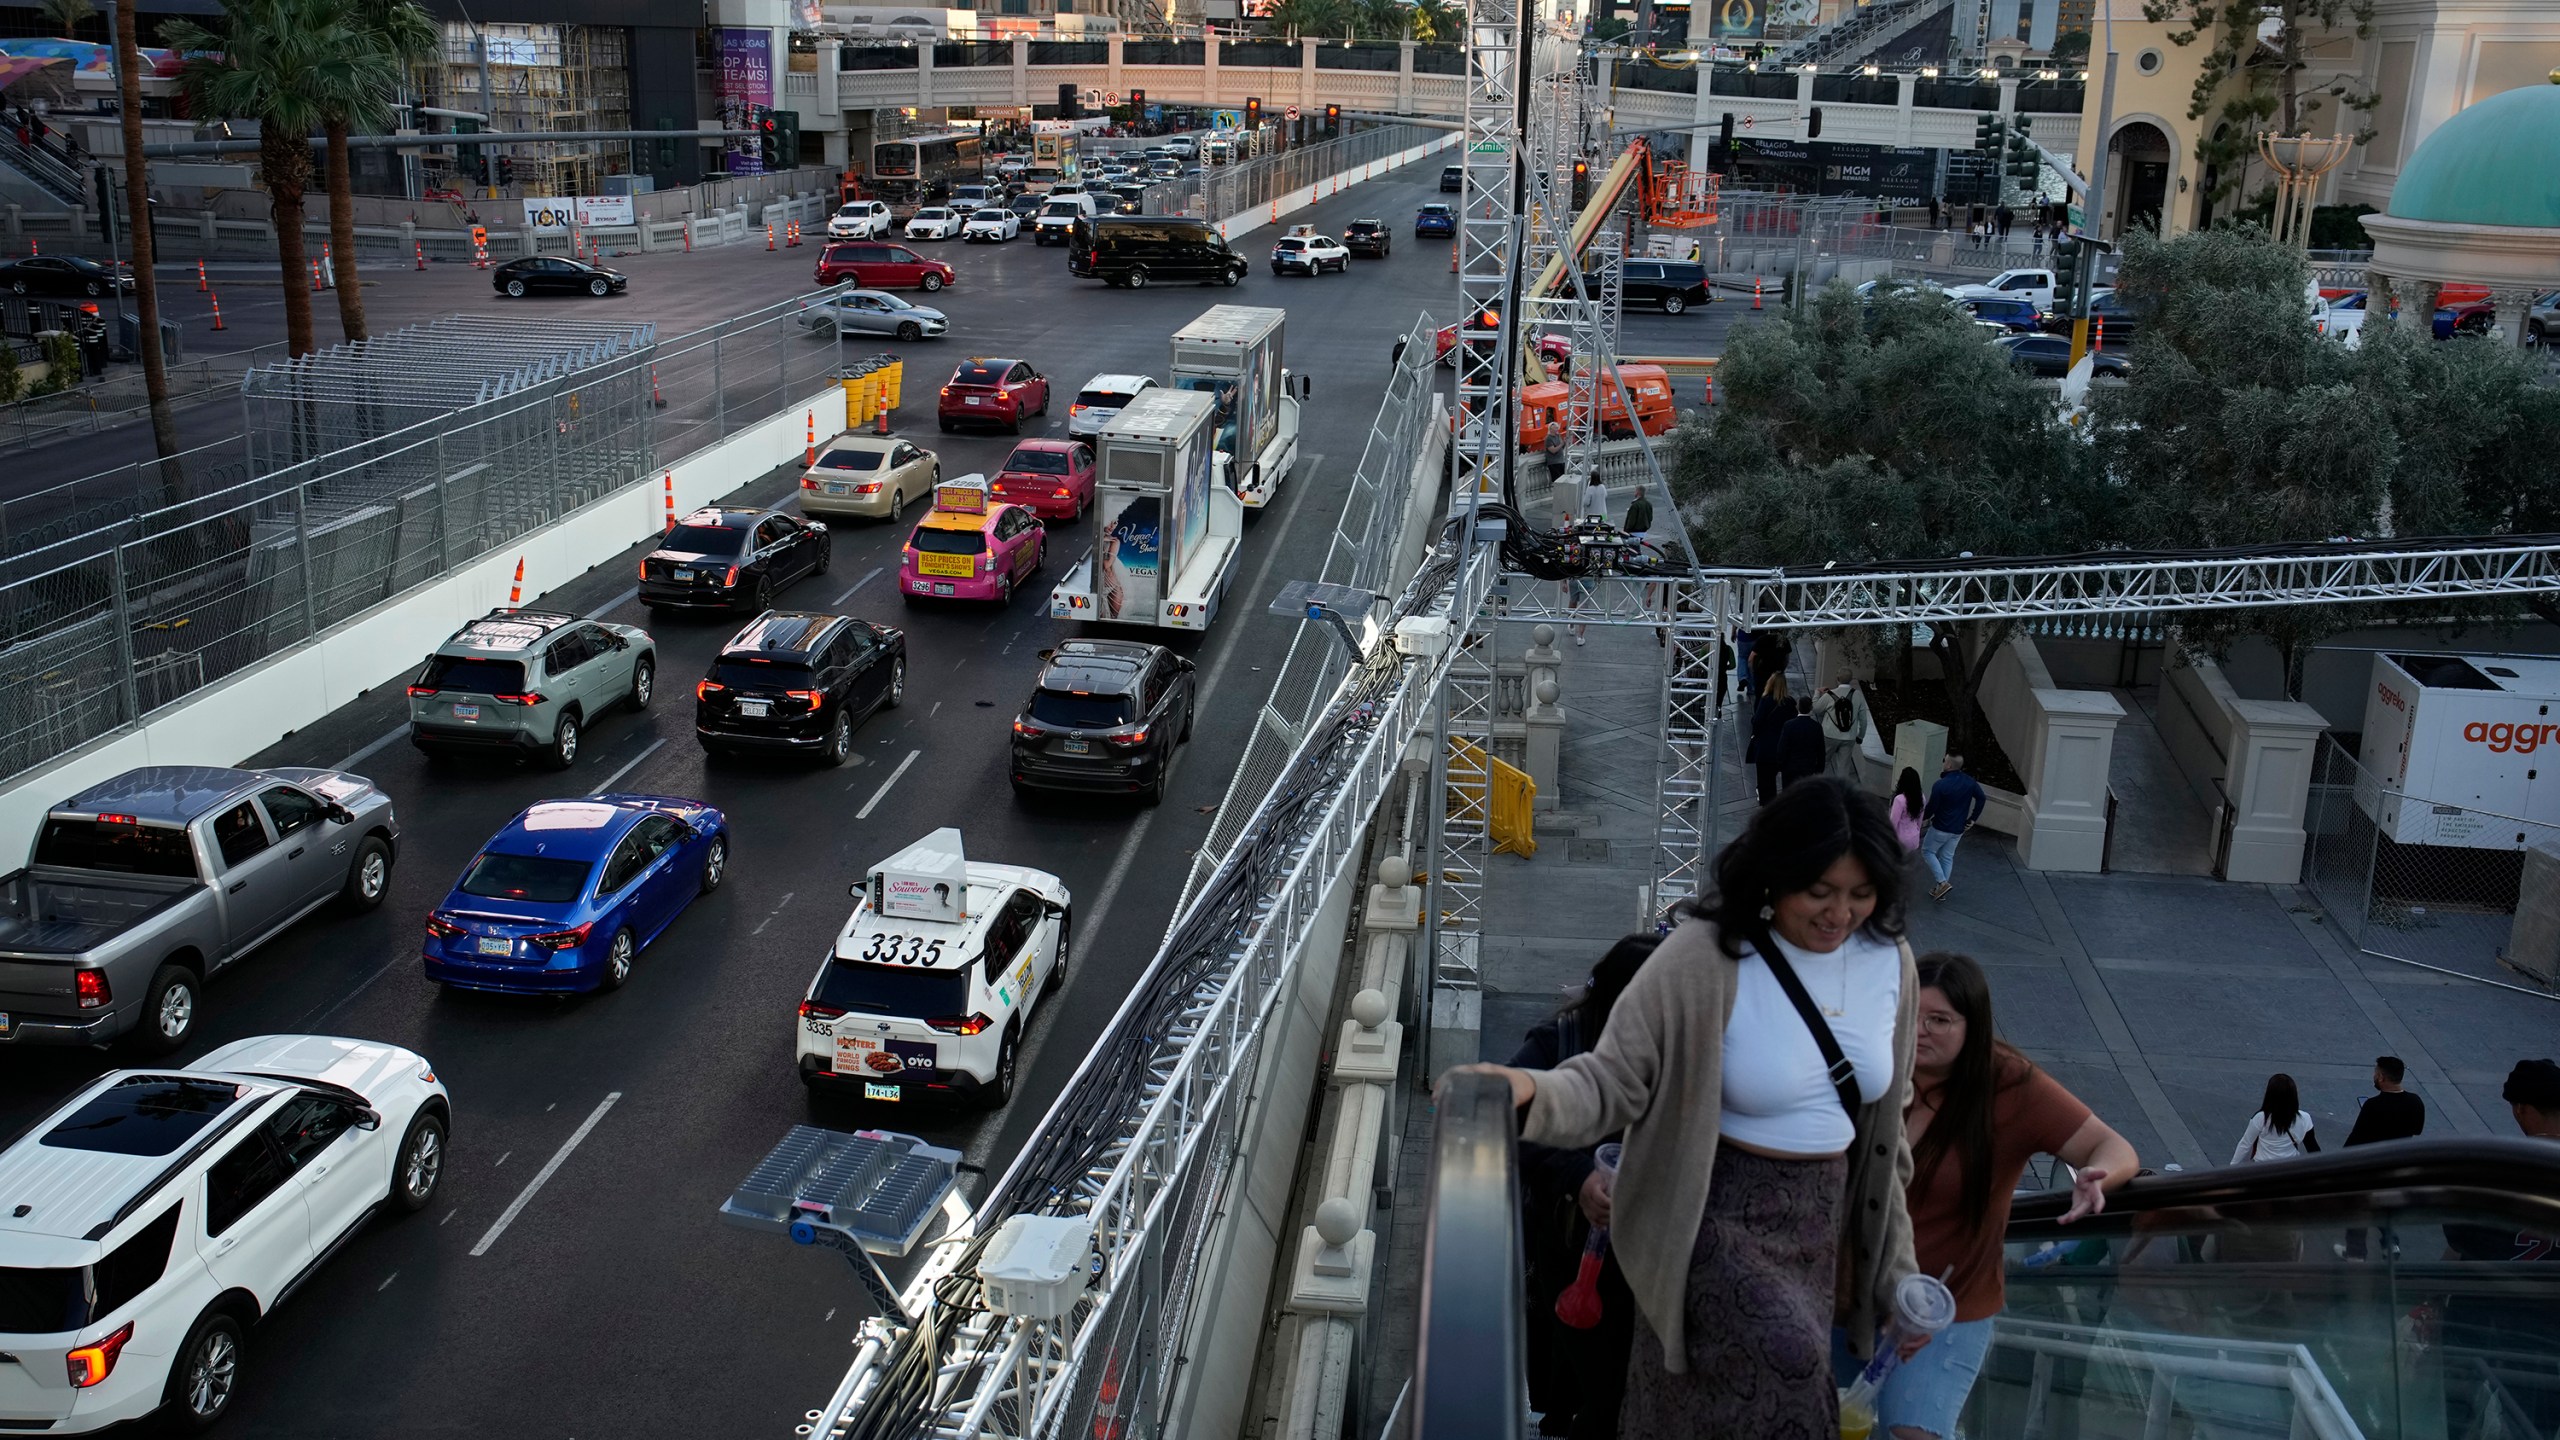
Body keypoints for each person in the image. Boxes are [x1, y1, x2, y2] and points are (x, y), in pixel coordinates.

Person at [1463, 777, 1925, 1440]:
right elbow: (1613, 1080)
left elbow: (1890, 1144)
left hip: (1818, 1224)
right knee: (1791, 1367)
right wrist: (1529, 1093)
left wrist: (1896, 1272)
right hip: (1708, 1211)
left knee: (1718, 1406)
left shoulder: (1892, 962)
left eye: (1860, 894)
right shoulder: (1703, 956)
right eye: (1818, 892)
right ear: (1772, 877)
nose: (1838, 914)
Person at [1848, 951, 2137, 1440]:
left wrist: (2096, 1176)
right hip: (1851, 1293)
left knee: (1912, 1434)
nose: (1919, 1031)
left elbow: (2113, 1146)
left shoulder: (2010, 1085)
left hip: (1948, 1304)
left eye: (1939, 1020)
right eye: (1911, 1014)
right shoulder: (1872, 1065)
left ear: (1973, 1025)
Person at [1516, 935, 1662, 1439]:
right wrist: (1577, 1178)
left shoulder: (1687, 1052)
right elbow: (1501, 1118)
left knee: (1628, 1379)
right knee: (1584, 1373)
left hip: (1654, 1250)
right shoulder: (1562, 1041)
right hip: (1570, 1242)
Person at [2336, 1056, 2425, 1259]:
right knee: (2384, 1205)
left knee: (2360, 1208)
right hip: (2397, 1167)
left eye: (2376, 1073)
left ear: (2382, 1077)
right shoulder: (2416, 1102)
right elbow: (2417, 1130)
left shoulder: (2373, 1107)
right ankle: (2390, 1243)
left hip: (2370, 1168)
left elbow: (2356, 1139)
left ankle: (2355, 1254)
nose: (2374, 1077)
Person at [1918, 753, 1985, 900]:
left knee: (1928, 851)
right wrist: (1973, 818)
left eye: (1944, 761)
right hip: (1958, 828)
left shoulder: (1940, 785)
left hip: (1940, 827)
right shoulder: (1970, 782)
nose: (1943, 763)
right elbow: (1981, 798)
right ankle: (1940, 892)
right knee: (1947, 857)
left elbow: (1931, 808)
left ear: (1948, 765)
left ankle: (1942, 883)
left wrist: (1919, 820)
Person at [2231, 1073, 2319, 1162]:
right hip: (2290, 1168)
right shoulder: (2305, 1118)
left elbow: (2245, 1144)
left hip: (2262, 1168)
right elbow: (2313, 1149)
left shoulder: (2261, 1117)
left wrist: (2232, 1166)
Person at [1748, 674, 1792, 805]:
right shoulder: (1789, 703)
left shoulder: (1766, 700)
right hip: (1783, 747)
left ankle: (1768, 805)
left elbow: (1757, 721)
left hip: (1766, 747)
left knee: (1765, 780)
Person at [1819, 681, 1865, 781]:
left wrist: (1817, 694)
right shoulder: (1858, 695)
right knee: (1843, 767)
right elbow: (1863, 720)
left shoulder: (1829, 695)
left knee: (1824, 761)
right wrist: (1860, 736)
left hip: (1829, 735)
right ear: (1851, 679)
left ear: (1838, 679)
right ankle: (1840, 790)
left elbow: (1816, 709)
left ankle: (1822, 786)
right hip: (1849, 737)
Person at [1778, 695, 1826, 790]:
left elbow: (1782, 747)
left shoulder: (1788, 725)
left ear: (1797, 707)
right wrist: (1819, 769)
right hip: (1808, 768)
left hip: (1790, 767)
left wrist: (1780, 765)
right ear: (1811, 708)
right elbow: (1821, 751)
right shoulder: (1816, 727)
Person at [1888, 767, 1927, 853]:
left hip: (1900, 839)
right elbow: (1920, 820)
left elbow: (1893, 823)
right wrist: (1917, 830)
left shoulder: (1899, 799)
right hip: (1914, 837)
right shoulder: (1921, 797)